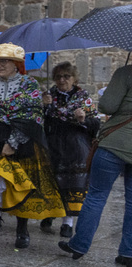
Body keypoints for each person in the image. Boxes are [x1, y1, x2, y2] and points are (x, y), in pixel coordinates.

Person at [0, 43, 65, 248]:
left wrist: (13, 142)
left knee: (22, 186)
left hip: (21, 143)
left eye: (4, 60)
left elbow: (32, 116)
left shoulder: (29, 84)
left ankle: (22, 229)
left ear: (15, 63)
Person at [61, 62, 132, 267]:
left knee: (96, 195)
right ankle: (128, 253)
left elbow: (107, 106)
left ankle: (79, 245)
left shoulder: (126, 72)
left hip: (114, 144)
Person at [41, 62, 99, 237]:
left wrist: (83, 119)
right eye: (58, 76)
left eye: (66, 76)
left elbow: (95, 123)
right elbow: (38, 121)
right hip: (53, 145)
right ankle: (50, 213)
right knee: (53, 182)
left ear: (74, 78)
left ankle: (67, 223)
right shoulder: (49, 96)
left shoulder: (83, 98)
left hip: (76, 146)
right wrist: (44, 107)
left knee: (73, 184)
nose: (62, 80)